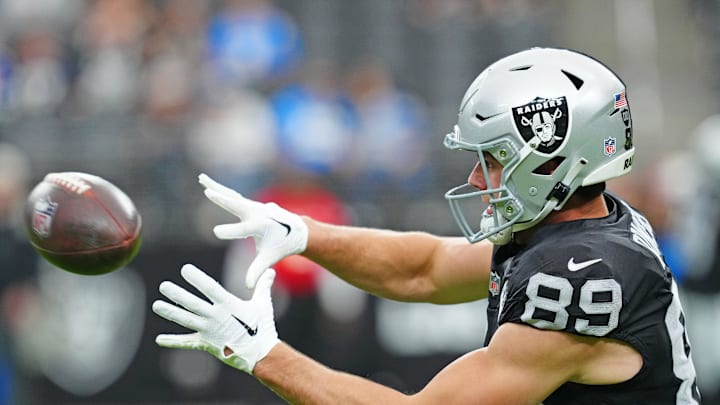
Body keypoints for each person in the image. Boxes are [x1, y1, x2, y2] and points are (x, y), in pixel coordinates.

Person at [153, 47, 701, 404]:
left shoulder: (582, 277)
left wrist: (260, 355)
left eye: (492, 158)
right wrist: (302, 233)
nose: (476, 175)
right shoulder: (581, 226)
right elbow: (426, 270)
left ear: (553, 160)